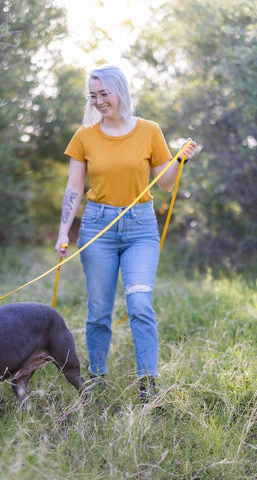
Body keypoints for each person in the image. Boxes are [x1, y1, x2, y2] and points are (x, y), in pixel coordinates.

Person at [55, 64, 197, 401]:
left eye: (105, 93)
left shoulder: (149, 130)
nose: (99, 100)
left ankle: (149, 383)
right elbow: (74, 188)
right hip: (97, 229)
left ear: (120, 91)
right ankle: (97, 377)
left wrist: (179, 159)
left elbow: (165, 183)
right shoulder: (84, 136)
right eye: (93, 95)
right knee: (99, 310)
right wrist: (63, 232)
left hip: (140, 228)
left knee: (139, 302)